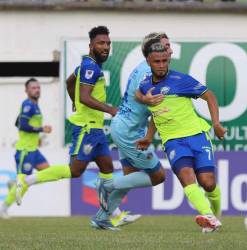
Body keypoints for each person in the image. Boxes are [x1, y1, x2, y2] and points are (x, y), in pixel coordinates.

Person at [14, 26, 119, 230]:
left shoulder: (85, 66)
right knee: (75, 170)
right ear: (91, 46)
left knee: (107, 168)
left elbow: (71, 83)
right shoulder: (91, 68)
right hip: (87, 129)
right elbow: (85, 96)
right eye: (101, 43)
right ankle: (29, 180)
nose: (105, 47)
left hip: (96, 130)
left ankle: (107, 215)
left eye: (108, 43)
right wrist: (110, 109)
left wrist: (73, 100)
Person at [136, 42, 227, 233]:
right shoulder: (145, 85)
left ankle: (215, 215)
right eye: (157, 61)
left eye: (164, 61)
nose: (161, 65)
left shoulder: (180, 80)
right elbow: (156, 113)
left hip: (197, 135)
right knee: (186, 177)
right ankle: (209, 217)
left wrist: (216, 123)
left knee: (208, 183)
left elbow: (209, 95)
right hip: (173, 141)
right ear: (148, 62)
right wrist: (149, 136)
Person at [90, 33, 172, 228]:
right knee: (158, 176)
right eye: (165, 46)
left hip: (123, 126)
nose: (169, 49)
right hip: (129, 132)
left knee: (130, 178)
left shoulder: (144, 68)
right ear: (153, 51)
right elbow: (146, 100)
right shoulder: (148, 74)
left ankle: (101, 217)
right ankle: (105, 184)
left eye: (169, 46)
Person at [0, 78, 58, 218]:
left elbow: (17, 122)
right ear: (26, 91)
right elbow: (22, 126)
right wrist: (41, 129)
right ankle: (3, 208)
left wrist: (35, 137)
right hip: (25, 150)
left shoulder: (34, 105)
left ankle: (14, 183)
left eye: (38, 87)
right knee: (24, 184)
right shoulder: (28, 105)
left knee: (49, 173)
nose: (37, 90)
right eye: (33, 88)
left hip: (34, 150)